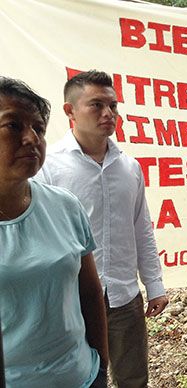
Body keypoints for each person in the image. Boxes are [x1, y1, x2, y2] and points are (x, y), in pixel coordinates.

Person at [36, 70, 168, 387]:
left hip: (124, 297)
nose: (108, 114)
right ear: (70, 111)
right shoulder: (48, 166)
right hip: (71, 300)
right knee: (81, 379)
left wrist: (155, 285)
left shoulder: (129, 167)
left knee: (133, 378)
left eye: (113, 105)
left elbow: (141, 230)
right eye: (96, 105)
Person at [0, 77, 108, 386]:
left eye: (39, 128)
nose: (32, 139)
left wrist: (100, 366)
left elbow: (89, 293)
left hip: (81, 376)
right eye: (14, 126)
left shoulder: (65, 206)